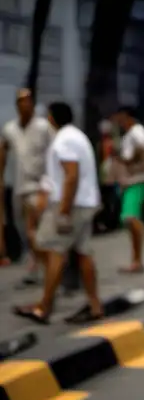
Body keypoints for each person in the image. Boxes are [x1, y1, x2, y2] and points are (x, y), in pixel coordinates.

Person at [13, 102, 104, 326]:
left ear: (53, 118)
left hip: (71, 205)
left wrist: (63, 211)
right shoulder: (76, 136)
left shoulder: (64, 140)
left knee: (50, 248)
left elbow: (71, 175)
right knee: (82, 253)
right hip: (85, 202)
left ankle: (44, 307)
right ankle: (94, 305)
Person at [0, 88, 53, 279]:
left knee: (37, 230)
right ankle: (35, 261)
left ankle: (46, 267)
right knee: (24, 230)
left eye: (28, 100)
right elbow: (3, 150)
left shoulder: (43, 127)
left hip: (40, 186)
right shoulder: (10, 129)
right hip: (19, 187)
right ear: (17, 105)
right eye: (21, 101)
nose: (25, 104)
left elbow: (55, 153)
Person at [114, 106, 144, 274]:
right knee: (129, 219)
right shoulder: (129, 135)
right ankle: (136, 261)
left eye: (121, 117)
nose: (119, 121)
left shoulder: (137, 131)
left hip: (137, 180)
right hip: (131, 181)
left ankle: (138, 256)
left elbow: (143, 150)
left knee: (130, 218)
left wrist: (129, 161)